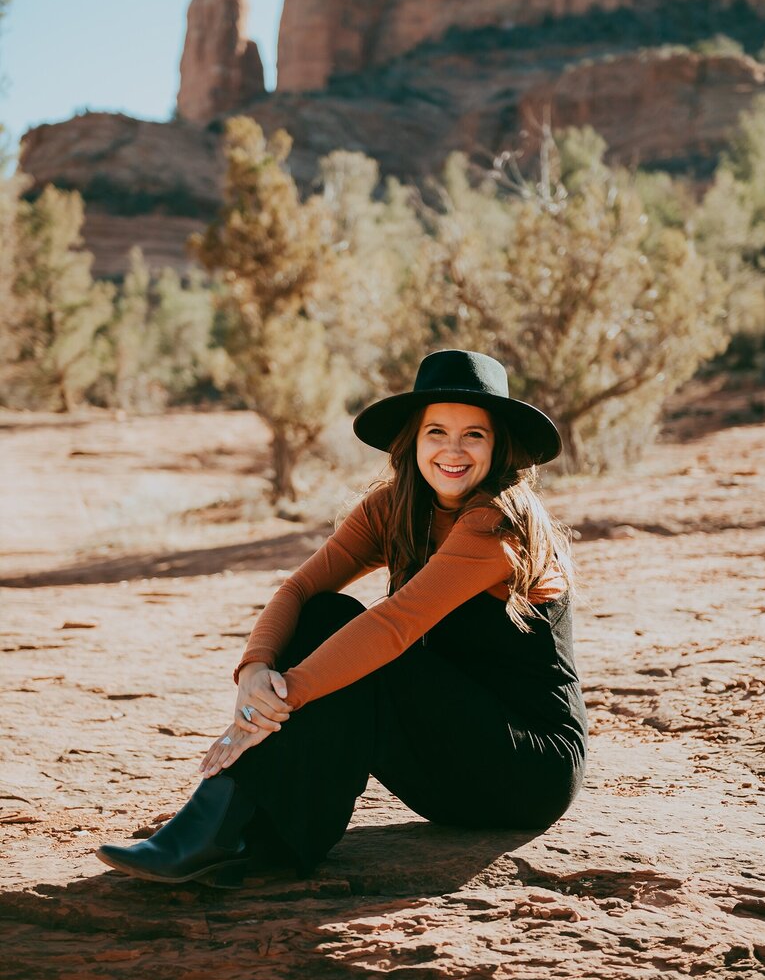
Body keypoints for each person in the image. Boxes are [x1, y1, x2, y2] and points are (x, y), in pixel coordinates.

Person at [96, 350, 588, 887]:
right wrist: (254, 672)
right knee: (324, 611)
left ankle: (222, 826)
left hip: (526, 768)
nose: (452, 449)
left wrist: (278, 703)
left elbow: (395, 624)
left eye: (474, 435)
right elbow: (301, 587)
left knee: (368, 648)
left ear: (499, 448)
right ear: (412, 441)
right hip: (445, 758)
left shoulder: (498, 522)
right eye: (436, 432)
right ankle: (248, 832)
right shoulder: (394, 508)